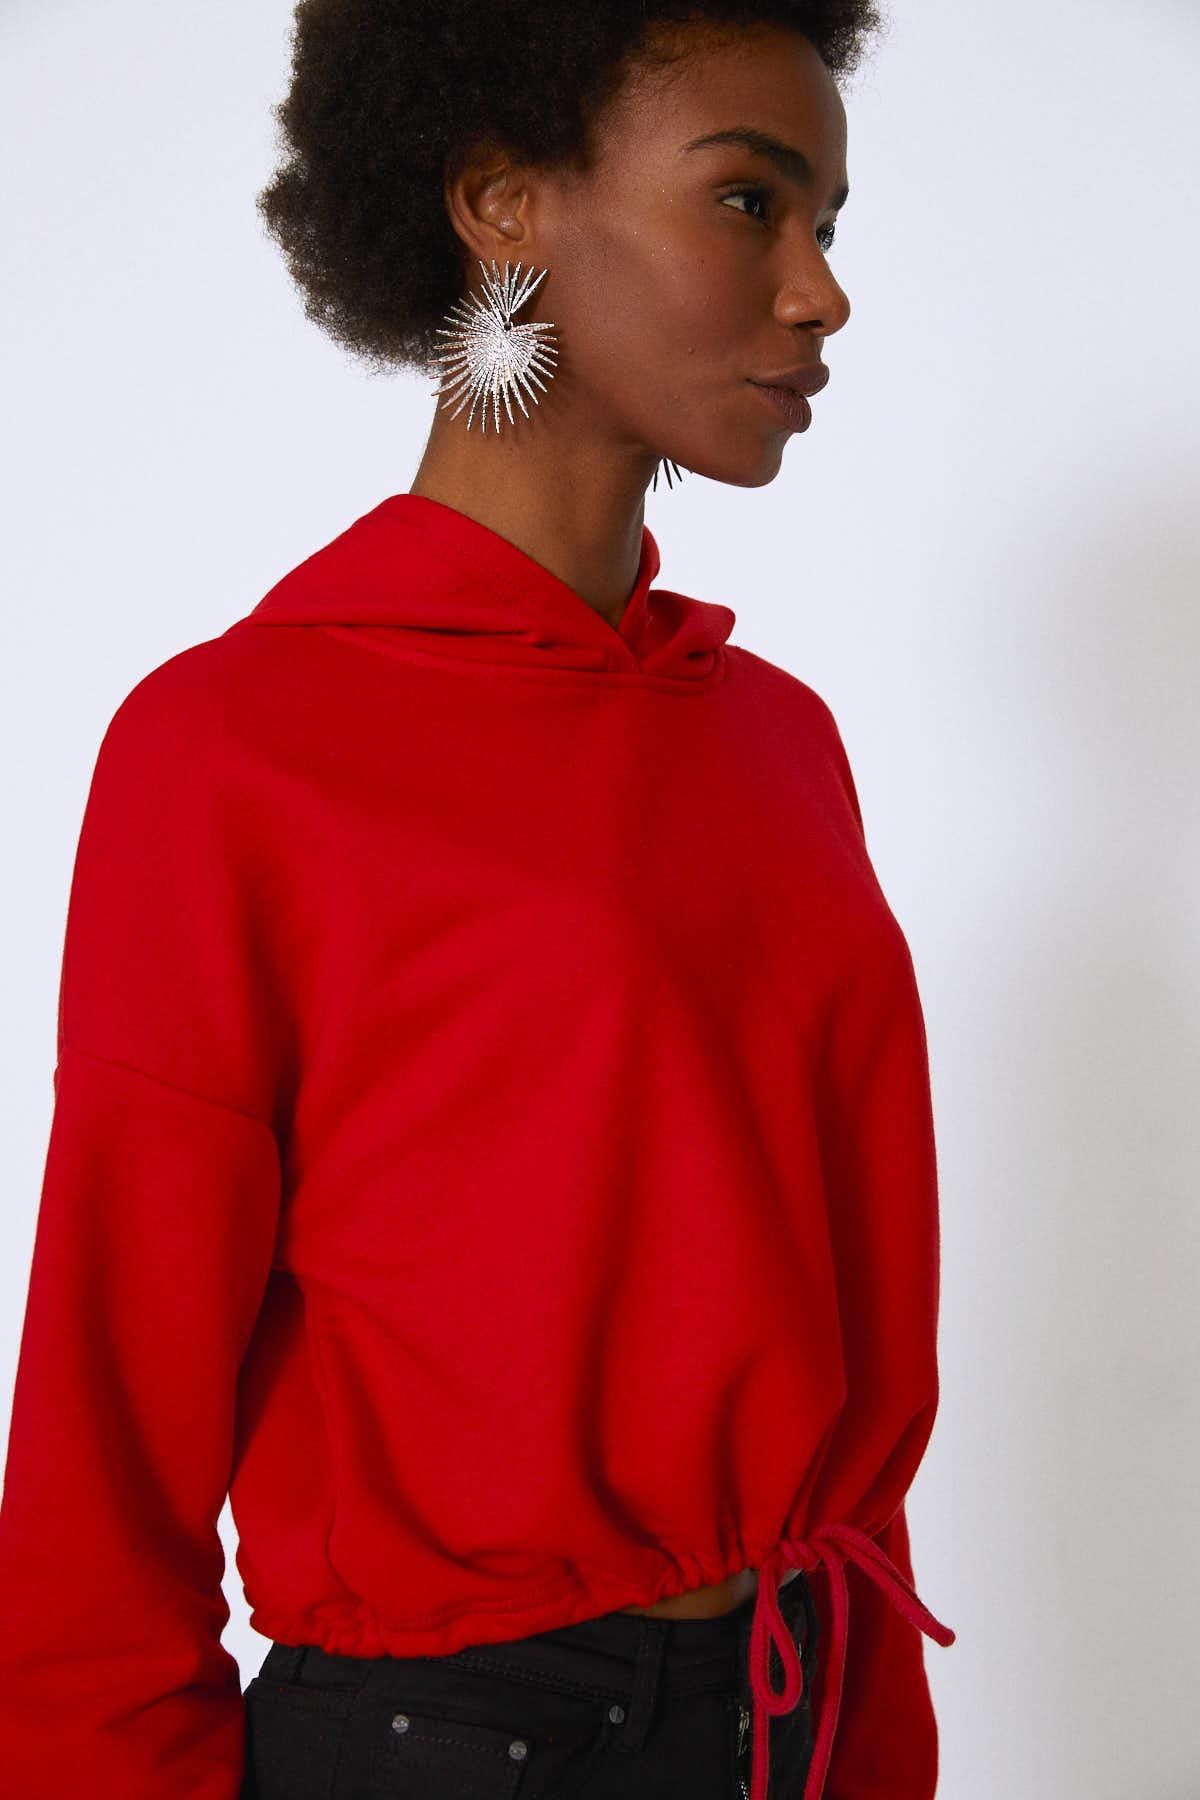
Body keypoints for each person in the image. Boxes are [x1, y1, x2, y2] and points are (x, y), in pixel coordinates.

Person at [0, 3, 956, 1797]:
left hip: (791, 1710)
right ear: (503, 200)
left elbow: (848, 1329)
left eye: (830, 223)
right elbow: (110, 1402)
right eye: (748, 202)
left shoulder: (777, 743)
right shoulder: (237, 745)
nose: (820, 291)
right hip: (448, 1742)